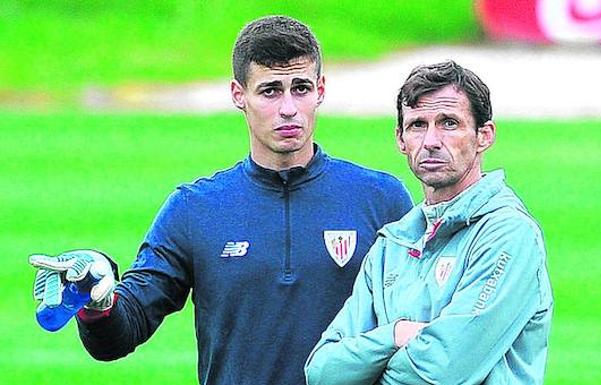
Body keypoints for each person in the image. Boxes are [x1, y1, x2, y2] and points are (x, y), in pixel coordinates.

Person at [28, 15, 413, 385]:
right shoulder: (195, 209)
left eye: (301, 88)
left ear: (321, 90)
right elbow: (124, 332)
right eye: (270, 91)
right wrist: (99, 306)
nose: (288, 108)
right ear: (238, 95)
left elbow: (422, 326)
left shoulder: (381, 200)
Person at [305, 60, 553, 385]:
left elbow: (439, 372)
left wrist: (367, 364)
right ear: (400, 139)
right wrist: (395, 335)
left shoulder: (508, 234)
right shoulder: (392, 244)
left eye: (449, 123)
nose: (431, 141)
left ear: (484, 136)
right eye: (418, 125)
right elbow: (323, 372)